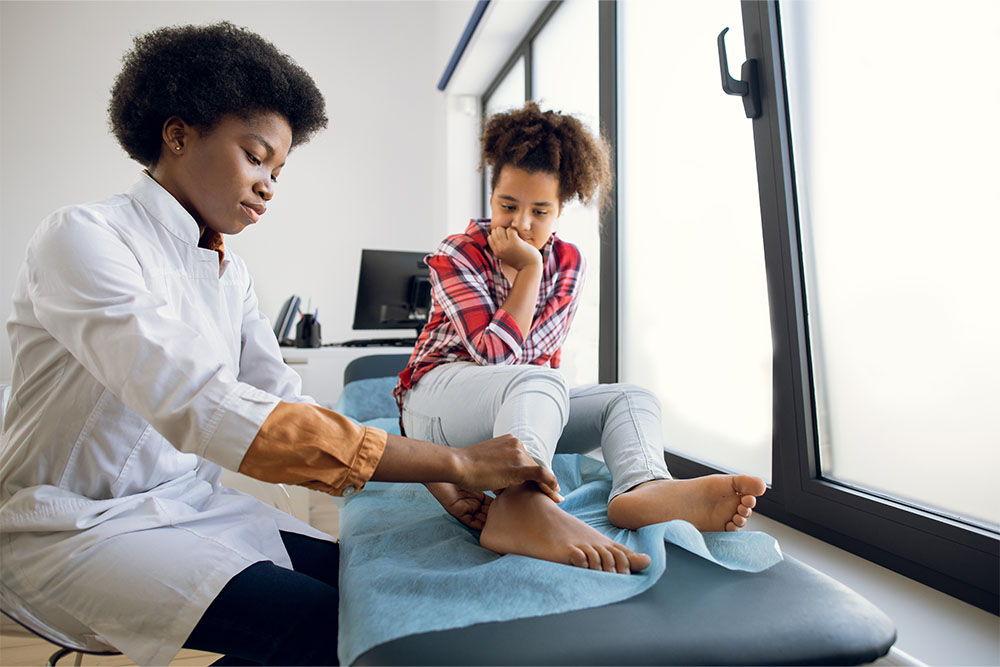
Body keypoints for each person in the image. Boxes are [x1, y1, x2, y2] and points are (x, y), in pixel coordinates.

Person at [0, 23, 558, 667]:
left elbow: (280, 396)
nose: (269, 184)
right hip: (70, 528)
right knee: (319, 627)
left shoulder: (227, 272)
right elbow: (198, 404)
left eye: (279, 170)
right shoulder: (82, 237)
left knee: (365, 594)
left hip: (188, 508)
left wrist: (434, 480)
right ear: (177, 134)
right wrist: (454, 462)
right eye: (255, 156)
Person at [394, 102, 767, 575]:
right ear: (491, 198)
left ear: (560, 209)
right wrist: (529, 269)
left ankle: (641, 487)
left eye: (540, 210)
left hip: (516, 404)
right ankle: (521, 501)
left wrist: (534, 269)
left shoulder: (568, 261)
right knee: (536, 381)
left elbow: (535, 367)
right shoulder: (457, 253)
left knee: (630, 398)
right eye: (508, 205)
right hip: (437, 400)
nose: (522, 224)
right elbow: (494, 357)